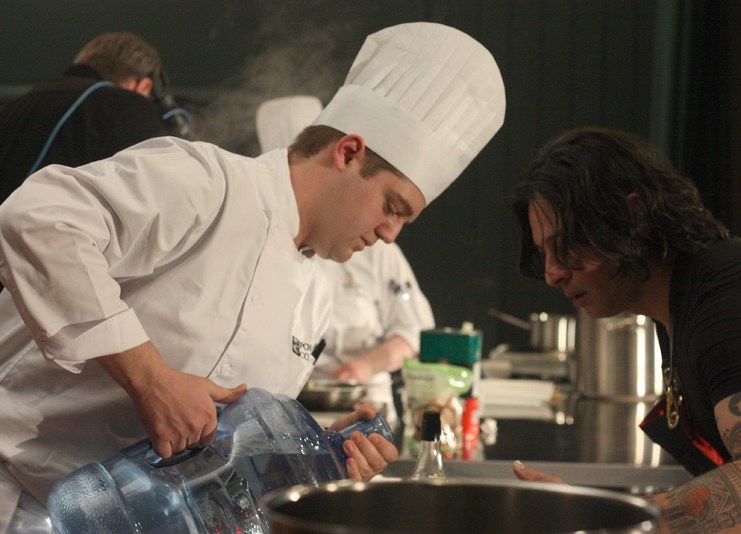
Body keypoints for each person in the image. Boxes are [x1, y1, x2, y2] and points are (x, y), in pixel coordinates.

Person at [0, 21, 505, 531]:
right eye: (392, 207)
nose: (391, 233)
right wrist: (151, 380)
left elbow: (226, 436)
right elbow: (39, 221)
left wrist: (318, 445)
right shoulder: (208, 183)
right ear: (348, 152)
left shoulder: (315, 297)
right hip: (15, 494)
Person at [510, 127, 741, 533]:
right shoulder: (682, 301)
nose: (553, 272)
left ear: (632, 214)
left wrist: (608, 519)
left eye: (568, 244)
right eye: (545, 254)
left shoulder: (729, 306)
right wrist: (589, 510)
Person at [255, 95, 436, 428]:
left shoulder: (378, 247)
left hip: (362, 410)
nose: (388, 233)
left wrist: (364, 366)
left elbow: (413, 331)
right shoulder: (258, 237)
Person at [0, 32, 177, 205]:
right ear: (145, 85)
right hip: (56, 231)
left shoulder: (20, 103)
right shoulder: (125, 104)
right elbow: (146, 198)